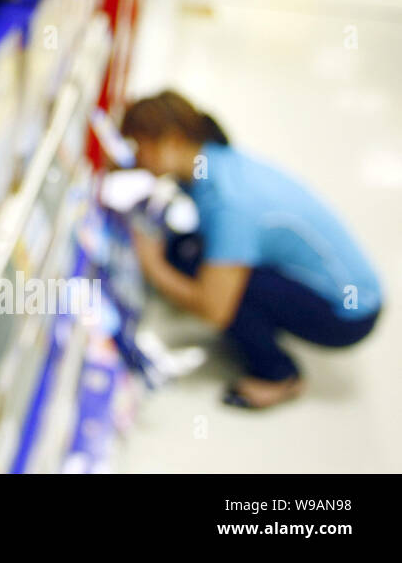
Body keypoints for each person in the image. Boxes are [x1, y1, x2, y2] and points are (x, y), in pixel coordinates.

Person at [120, 91, 383, 409]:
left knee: (208, 282)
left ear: (171, 141)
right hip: (343, 284)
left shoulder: (230, 205)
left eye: (139, 146)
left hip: (349, 314)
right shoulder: (211, 160)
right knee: (187, 252)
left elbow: (214, 310)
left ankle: (278, 375)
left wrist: (153, 266)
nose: (137, 156)